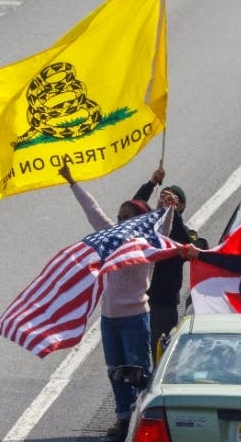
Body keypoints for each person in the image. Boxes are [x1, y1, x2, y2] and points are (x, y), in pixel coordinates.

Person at [60, 164, 174, 442]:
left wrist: (168, 208)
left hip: (135, 318)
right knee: (116, 373)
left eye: (127, 217)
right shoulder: (111, 239)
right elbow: (93, 211)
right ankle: (123, 420)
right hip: (109, 320)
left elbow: (164, 230)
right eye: (119, 216)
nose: (120, 221)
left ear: (139, 221)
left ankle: (140, 420)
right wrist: (72, 181)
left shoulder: (147, 245)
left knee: (138, 373)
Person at [133, 167, 206, 356]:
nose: (165, 200)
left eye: (172, 199)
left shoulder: (185, 231)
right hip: (139, 299)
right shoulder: (147, 225)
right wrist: (151, 183)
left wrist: (172, 212)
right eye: (163, 196)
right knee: (137, 353)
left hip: (163, 304)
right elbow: (134, 207)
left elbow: (186, 243)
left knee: (161, 353)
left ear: (180, 206)